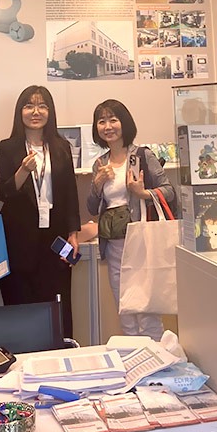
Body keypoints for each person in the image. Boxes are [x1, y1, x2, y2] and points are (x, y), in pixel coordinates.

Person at [0, 86, 80, 338]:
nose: (36, 111)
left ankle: (60, 354)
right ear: (19, 111)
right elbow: (3, 193)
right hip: (17, 238)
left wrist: (73, 232)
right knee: (20, 306)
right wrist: (23, 171)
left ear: (50, 112)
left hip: (55, 237)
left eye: (42, 106)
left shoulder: (61, 146)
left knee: (58, 306)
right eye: (29, 105)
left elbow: (70, 192)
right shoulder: (7, 148)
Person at [86, 99, 175, 341]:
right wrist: (97, 184)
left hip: (140, 241)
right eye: (102, 121)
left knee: (146, 308)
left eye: (113, 120)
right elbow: (92, 207)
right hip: (113, 244)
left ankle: (155, 354)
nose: (108, 126)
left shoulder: (142, 156)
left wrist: (142, 193)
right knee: (124, 307)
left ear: (124, 123)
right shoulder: (100, 164)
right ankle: (135, 356)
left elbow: (169, 191)